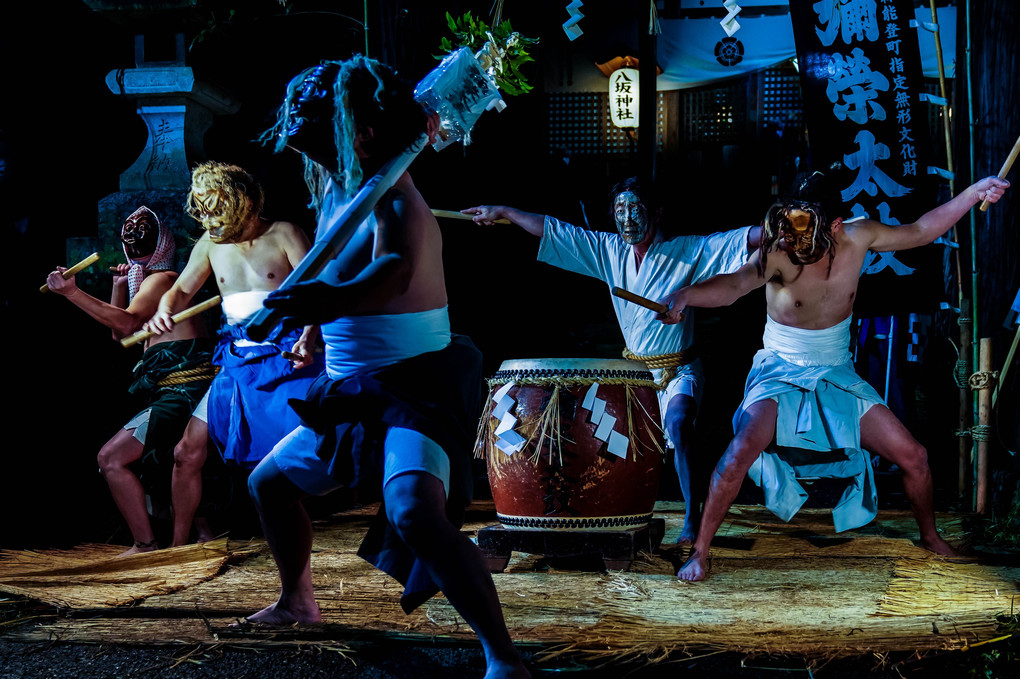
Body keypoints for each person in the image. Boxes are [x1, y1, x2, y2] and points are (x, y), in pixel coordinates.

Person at [244, 56, 530, 679]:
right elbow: (333, 267)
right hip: (350, 381)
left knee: (412, 510)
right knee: (269, 484)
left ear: (364, 131)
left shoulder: (396, 197)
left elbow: (390, 273)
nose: (308, 145)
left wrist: (324, 302)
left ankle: (504, 657)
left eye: (320, 134)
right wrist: (317, 329)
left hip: (414, 380)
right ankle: (298, 602)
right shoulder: (338, 189)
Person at [656, 168, 1010, 581]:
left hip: (837, 370)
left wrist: (972, 192)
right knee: (738, 453)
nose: (795, 233)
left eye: (807, 223)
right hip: (780, 370)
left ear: (836, 224)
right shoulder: (778, 250)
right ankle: (700, 550)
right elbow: (734, 284)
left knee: (914, 457)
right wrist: (685, 295)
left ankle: (930, 536)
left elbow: (920, 230)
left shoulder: (858, 235)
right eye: (792, 219)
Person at [463, 182, 760, 544]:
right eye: (620, 211)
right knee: (610, 441)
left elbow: (738, 241)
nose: (627, 218)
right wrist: (506, 211)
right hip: (635, 374)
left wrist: (778, 228)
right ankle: (620, 507)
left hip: (676, 368)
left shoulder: (687, 251)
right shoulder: (610, 251)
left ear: (656, 212)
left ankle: (691, 519)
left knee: (680, 425)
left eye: (635, 209)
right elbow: (559, 232)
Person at [143, 161, 322, 548]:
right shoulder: (210, 244)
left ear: (242, 201)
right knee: (186, 451)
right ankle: (177, 548)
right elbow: (180, 292)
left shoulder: (284, 234)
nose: (209, 218)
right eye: (203, 209)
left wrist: (308, 337)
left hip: (289, 359)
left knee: (294, 458)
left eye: (215, 207)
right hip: (237, 362)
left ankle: (300, 538)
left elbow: (316, 294)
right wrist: (164, 307)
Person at [46, 207, 215, 555]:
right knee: (175, 459)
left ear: (163, 239)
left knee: (111, 458)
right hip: (175, 391)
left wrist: (72, 294)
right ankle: (198, 536)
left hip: (183, 390)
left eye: (143, 226)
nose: (134, 232)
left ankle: (148, 544)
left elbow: (125, 326)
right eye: (129, 226)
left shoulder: (161, 279)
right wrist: (119, 287)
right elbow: (123, 335)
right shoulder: (150, 280)